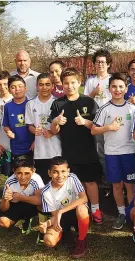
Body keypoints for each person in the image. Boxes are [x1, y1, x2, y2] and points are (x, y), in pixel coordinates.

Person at [49, 68, 103, 224]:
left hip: (88, 149)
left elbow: (97, 127)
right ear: (62, 85)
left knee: (91, 182)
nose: (69, 86)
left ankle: (96, 208)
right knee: (75, 183)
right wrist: (56, 122)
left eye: (73, 82)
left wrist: (85, 122)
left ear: (79, 83)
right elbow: (53, 131)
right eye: (66, 83)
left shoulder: (88, 101)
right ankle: (82, 208)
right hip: (68, 151)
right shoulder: (58, 104)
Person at [91, 73, 135, 230]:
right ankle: (121, 213)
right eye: (114, 87)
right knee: (117, 186)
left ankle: (132, 213)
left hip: (129, 153)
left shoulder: (132, 109)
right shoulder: (104, 108)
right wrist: (109, 127)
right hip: (111, 153)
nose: (117, 90)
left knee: (130, 186)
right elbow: (93, 130)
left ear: (126, 88)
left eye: (120, 87)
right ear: (109, 89)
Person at [40, 157, 90, 258]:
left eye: (63, 171)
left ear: (68, 171)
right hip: (61, 218)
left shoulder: (72, 178)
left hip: (77, 214)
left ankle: (82, 239)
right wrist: (47, 223)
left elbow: (84, 198)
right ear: (49, 173)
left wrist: (61, 210)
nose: (60, 175)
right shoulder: (45, 192)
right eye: (55, 172)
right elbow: (56, 216)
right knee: (49, 241)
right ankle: (65, 232)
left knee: (81, 208)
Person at [25, 73, 62, 183]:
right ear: (36, 86)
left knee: (57, 180)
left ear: (52, 86)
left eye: (47, 84)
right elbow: (29, 125)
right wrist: (34, 130)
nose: (44, 87)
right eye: (41, 84)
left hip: (56, 149)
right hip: (40, 151)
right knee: (43, 181)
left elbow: (62, 126)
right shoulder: (30, 104)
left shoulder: (58, 103)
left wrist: (52, 132)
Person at [84, 49, 113, 181]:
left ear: (108, 64)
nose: (100, 64)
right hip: (96, 119)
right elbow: (84, 101)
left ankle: (116, 179)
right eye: (97, 62)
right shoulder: (90, 81)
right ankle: (106, 178)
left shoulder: (112, 79)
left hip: (112, 119)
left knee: (113, 150)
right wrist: (94, 92)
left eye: (103, 62)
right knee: (100, 151)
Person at [0, 155, 44, 235]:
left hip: (32, 205)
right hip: (16, 206)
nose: (23, 177)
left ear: (33, 171)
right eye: (19, 173)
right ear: (14, 171)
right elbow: (3, 209)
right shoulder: (10, 182)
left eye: (27, 173)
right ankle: (23, 220)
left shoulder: (36, 179)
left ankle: (39, 223)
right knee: (2, 222)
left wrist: (20, 197)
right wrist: (5, 199)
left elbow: (40, 201)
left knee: (43, 203)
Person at [3, 76, 35, 161]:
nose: (17, 89)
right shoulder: (7, 106)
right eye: (13, 87)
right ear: (9, 90)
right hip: (17, 147)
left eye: (20, 86)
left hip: (33, 146)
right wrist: (8, 131)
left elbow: (38, 125)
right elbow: (5, 125)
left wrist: (36, 142)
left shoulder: (32, 104)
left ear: (25, 88)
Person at [0, 71, 13, 176]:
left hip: (16, 145)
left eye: (5, 84)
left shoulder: (16, 100)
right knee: (7, 173)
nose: (3, 87)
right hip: (2, 144)